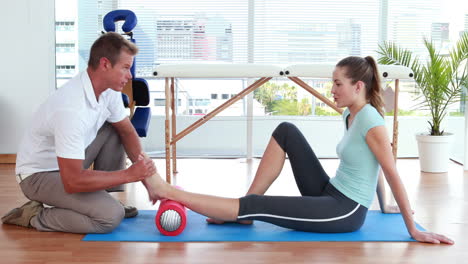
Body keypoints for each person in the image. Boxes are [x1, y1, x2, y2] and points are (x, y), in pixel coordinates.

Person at [145, 56, 453, 244]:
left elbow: (390, 170)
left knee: (254, 204)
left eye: (337, 84)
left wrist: (412, 228)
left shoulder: (371, 120)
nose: (332, 90)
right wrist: (384, 206)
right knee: (286, 131)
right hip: (331, 190)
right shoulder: (351, 114)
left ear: (358, 86)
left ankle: (170, 191)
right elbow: (374, 166)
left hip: (344, 211)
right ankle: (245, 211)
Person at [2, 32, 158, 234]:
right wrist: (128, 175)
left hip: (69, 162)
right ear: (105, 64)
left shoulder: (109, 90)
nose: (130, 76)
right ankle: (33, 215)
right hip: (39, 175)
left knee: (117, 127)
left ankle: (98, 200)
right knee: (110, 217)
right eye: (126, 68)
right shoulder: (71, 108)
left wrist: (151, 181)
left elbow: (128, 132)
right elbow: (73, 180)